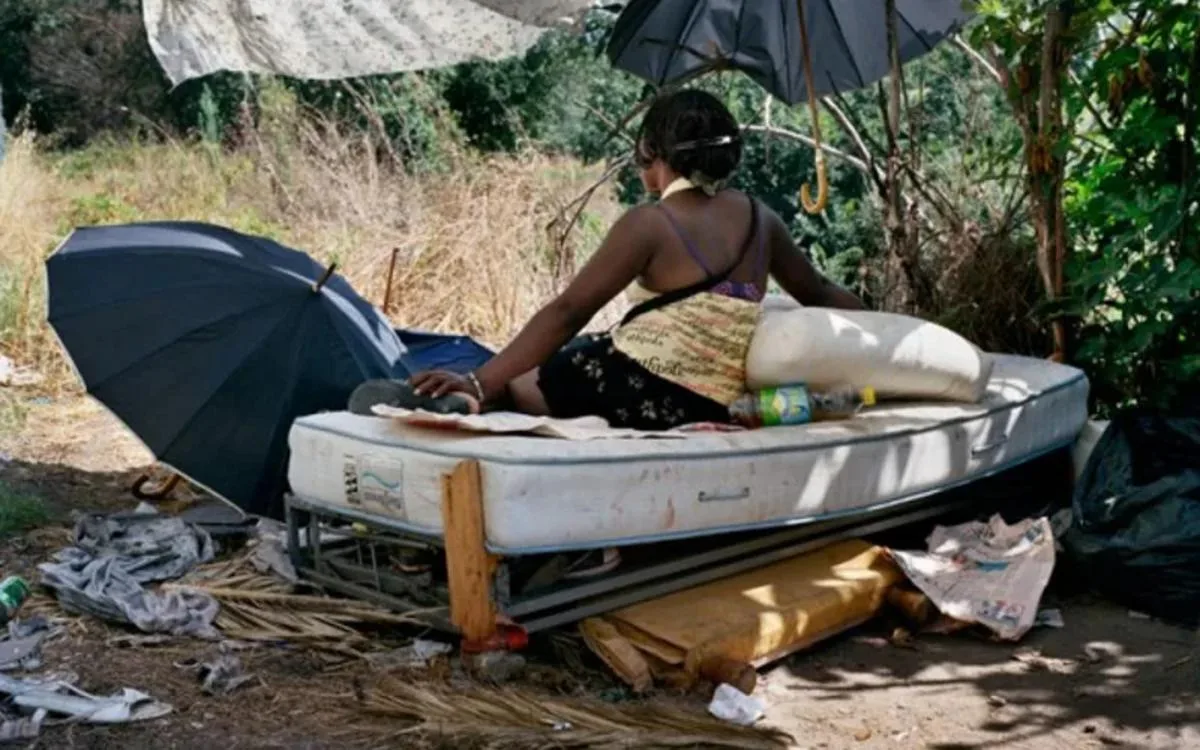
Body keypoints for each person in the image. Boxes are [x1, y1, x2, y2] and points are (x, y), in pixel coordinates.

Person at [351, 89, 863, 431]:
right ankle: (470, 394)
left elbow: (568, 310)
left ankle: (466, 399)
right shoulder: (761, 219)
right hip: (712, 403)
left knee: (531, 376)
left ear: (652, 153)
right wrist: (891, 326)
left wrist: (482, 378)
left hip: (643, 389)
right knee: (581, 350)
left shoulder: (650, 223)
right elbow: (818, 292)